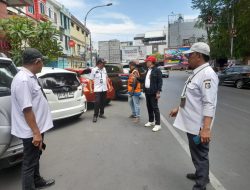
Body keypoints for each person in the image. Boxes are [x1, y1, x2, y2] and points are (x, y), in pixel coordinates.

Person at [169, 42, 219, 190]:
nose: (188, 58)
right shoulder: (198, 72)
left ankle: (200, 185)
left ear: (198, 56)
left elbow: (209, 103)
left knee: (200, 155)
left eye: (190, 55)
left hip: (198, 125)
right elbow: (191, 97)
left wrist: (206, 129)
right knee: (197, 154)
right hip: (191, 123)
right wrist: (179, 108)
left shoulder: (207, 74)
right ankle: (201, 175)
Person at [11, 48, 55, 190]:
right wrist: (36, 133)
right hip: (31, 131)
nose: (42, 64)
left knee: (36, 156)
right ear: (37, 61)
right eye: (42, 61)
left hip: (37, 128)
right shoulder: (23, 80)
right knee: (29, 163)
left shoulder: (30, 77)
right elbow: (27, 109)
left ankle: (37, 181)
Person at [138, 56, 163, 132]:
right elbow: (143, 80)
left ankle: (158, 124)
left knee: (155, 108)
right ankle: (151, 121)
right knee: (149, 107)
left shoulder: (157, 71)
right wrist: (137, 77)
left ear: (151, 62)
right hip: (147, 92)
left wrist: (158, 92)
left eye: (147, 61)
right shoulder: (147, 70)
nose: (146, 63)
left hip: (153, 92)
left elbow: (160, 82)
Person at [89, 58, 110, 123]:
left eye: (104, 63)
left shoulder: (104, 69)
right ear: (99, 63)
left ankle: (101, 114)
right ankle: (95, 115)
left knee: (103, 102)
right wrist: (90, 88)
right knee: (97, 102)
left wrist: (108, 85)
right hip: (97, 89)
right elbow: (90, 80)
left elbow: (106, 77)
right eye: (103, 63)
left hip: (104, 88)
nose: (104, 64)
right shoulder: (94, 70)